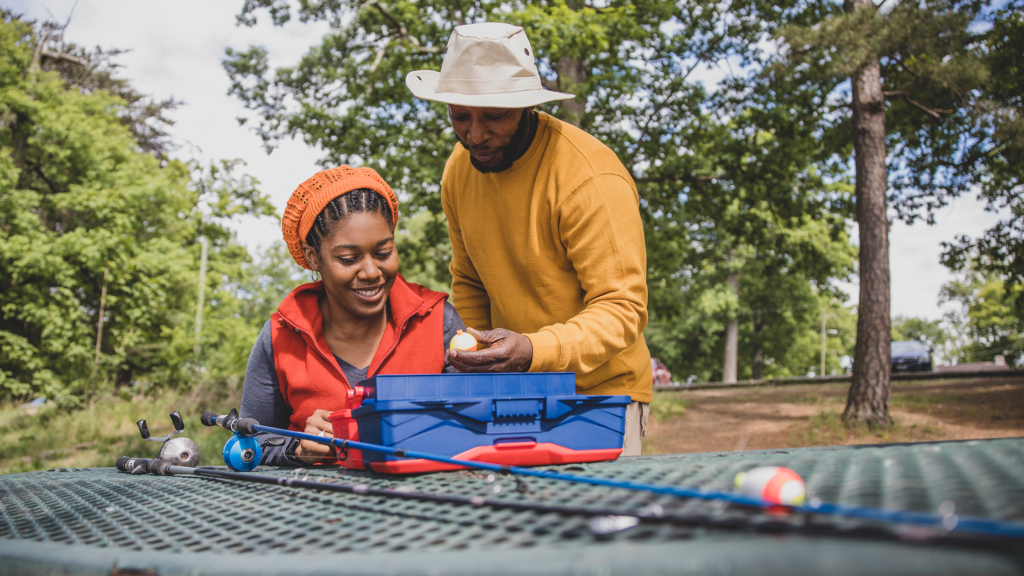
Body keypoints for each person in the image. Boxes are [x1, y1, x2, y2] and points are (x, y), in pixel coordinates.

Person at [406, 23, 653, 455]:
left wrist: (533, 350)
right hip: (512, 395)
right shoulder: (457, 172)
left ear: (525, 106)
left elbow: (622, 309)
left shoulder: (588, 176)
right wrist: (474, 361)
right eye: (460, 116)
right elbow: (469, 281)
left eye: (494, 116)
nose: (475, 135)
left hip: (601, 397)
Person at [240, 166, 465, 465]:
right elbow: (247, 444)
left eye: (383, 252)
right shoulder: (280, 336)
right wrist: (295, 448)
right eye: (348, 259)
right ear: (312, 257)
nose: (372, 272)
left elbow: (473, 426)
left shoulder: (439, 322)